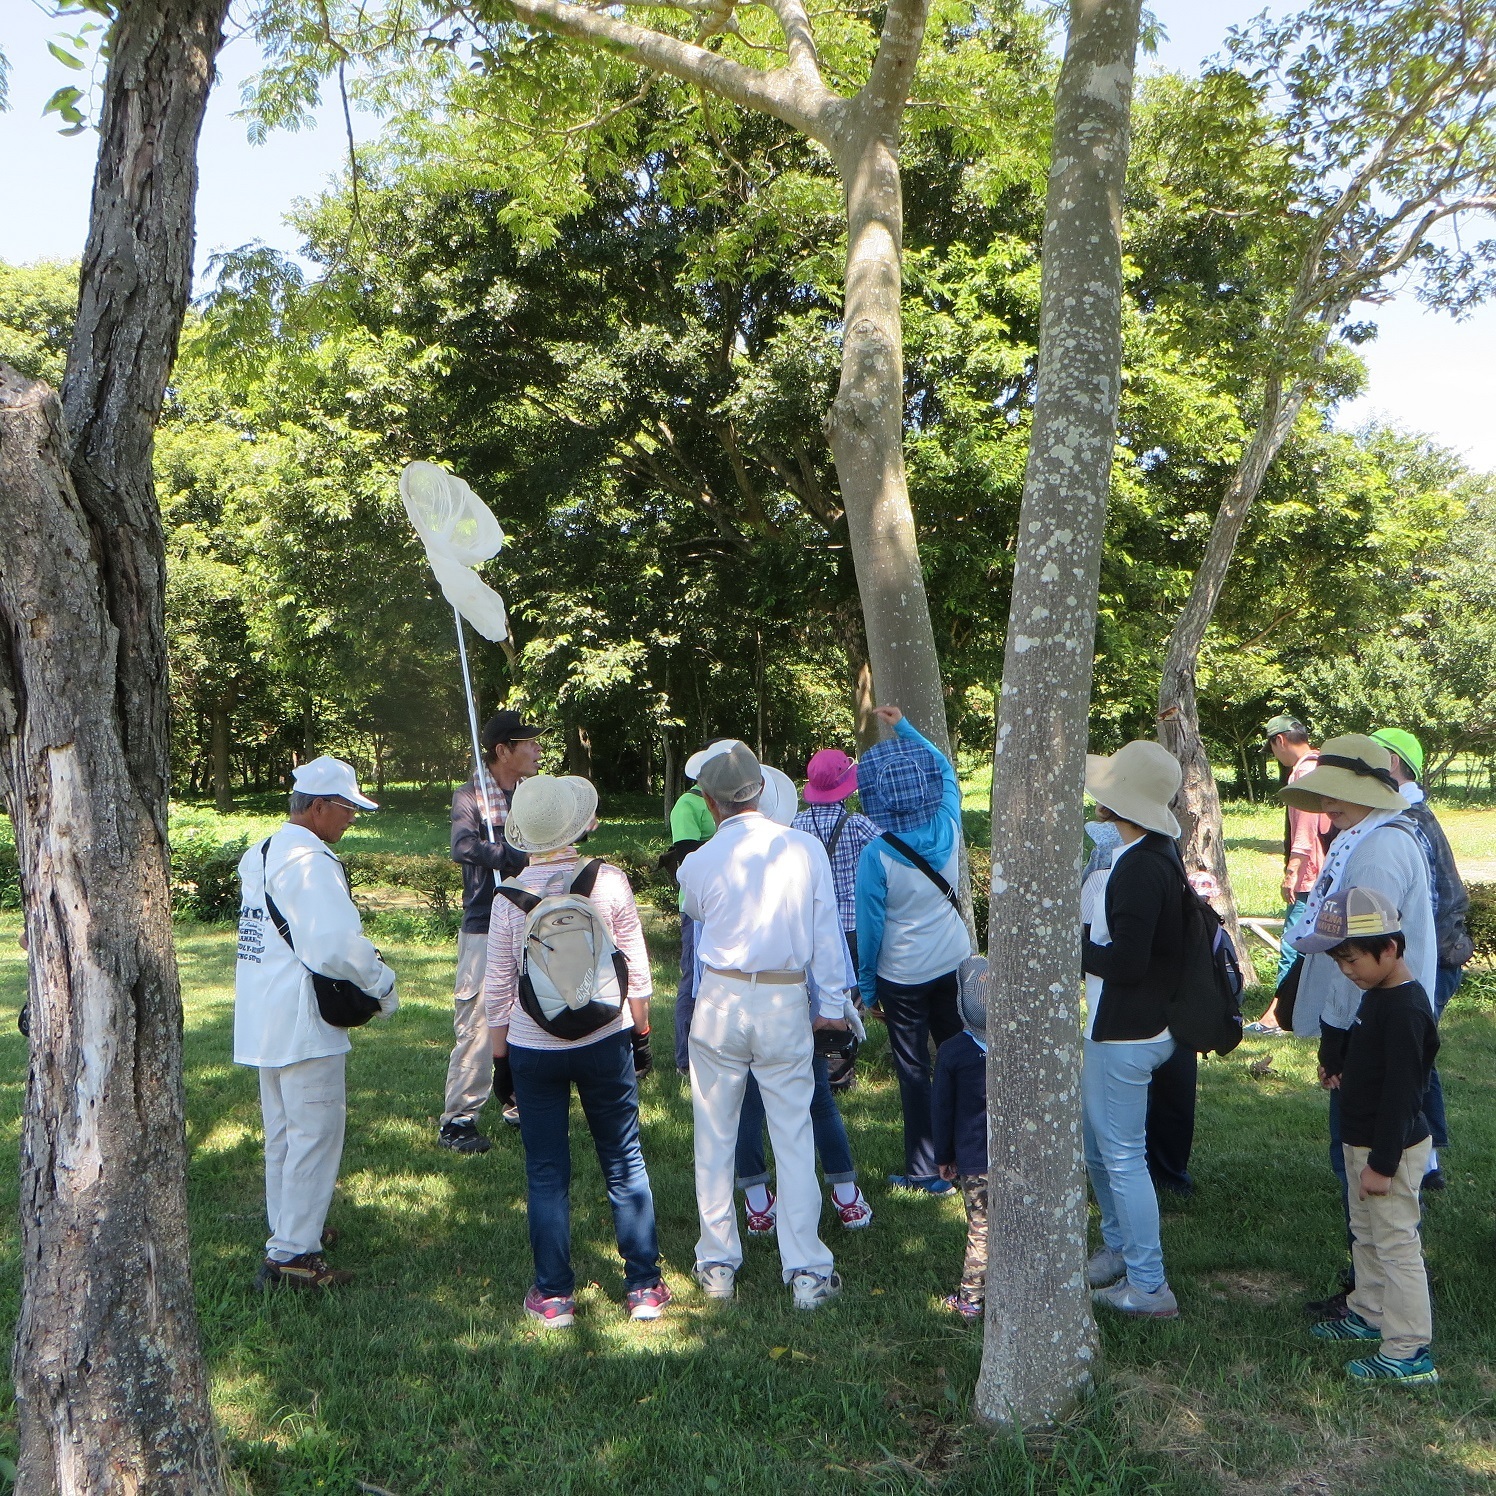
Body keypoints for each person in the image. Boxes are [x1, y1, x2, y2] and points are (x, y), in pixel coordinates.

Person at [484, 774, 668, 1326]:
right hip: (603, 1038)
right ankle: (643, 1286)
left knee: (545, 1171)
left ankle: (554, 1294)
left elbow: (497, 991)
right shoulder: (606, 881)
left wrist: (501, 1063)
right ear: (576, 824)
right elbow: (635, 968)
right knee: (623, 1159)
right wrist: (641, 1033)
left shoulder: (508, 898)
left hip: (533, 1047)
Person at [678, 741, 853, 1310]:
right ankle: (805, 1268)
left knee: (716, 1132)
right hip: (782, 999)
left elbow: (701, 914)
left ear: (709, 801)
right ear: (760, 790)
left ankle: (717, 1262)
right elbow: (825, 934)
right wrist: (832, 1004)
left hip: (721, 998)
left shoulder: (698, 862)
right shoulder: (803, 850)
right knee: (793, 1133)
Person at [1278, 733, 1435, 1321]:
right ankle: (1367, 1300)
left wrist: (1338, 1038)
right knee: (1357, 1183)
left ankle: (1386, 1315)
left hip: (1367, 1029)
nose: (1328, 808)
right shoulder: (1369, 838)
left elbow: (1361, 953)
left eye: (1338, 796)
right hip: (1363, 1024)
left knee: (1367, 1174)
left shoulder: (1376, 850)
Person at [234, 756, 399, 1290]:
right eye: (347, 808)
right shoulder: (311, 860)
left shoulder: (260, 853)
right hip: (304, 1020)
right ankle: (292, 1254)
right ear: (320, 806)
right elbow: (333, 946)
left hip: (263, 1015)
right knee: (315, 1132)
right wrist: (382, 983)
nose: (351, 818)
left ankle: (290, 1228)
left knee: (283, 1133)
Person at [1295, 887, 1440, 1385]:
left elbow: (1403, 1095)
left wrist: (1382, 1163)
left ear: (1391, 948)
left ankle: (1408, 1349)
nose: (1347, 971)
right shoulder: (1377, 996)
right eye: (1340, 962)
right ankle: (1369, 1311)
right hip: (1363, 1143)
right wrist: (1343, 1072)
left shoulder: (1405, 1009)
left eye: (1353, 959)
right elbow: (1374, 1065)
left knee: (1396, 1243)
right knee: (1367, 1235)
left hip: (1390, 1150)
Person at [734, 766, 872, 1235]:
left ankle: (758, 1202)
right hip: (794, 1004)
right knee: (816, 1101)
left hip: (735, 1010)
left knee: (748, 1103)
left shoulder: (717, 865)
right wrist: (832, 1003)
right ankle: (845, 1193)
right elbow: (826, 940)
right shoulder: (802, 860)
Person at [1081, 740, 1187, 1320]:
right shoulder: (1145, 852)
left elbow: (1127, 963)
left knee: (1120, 1156)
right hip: (1124, 1025)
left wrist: (1068, 946)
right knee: (1099, 1148)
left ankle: (1150, 1286)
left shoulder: (1142, 865)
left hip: (1129, 1032)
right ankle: (1121, 1250)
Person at [854, 706, 973, 1195]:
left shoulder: (876, 854)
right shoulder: (949, 822)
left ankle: (925, 1169)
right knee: (959, 1054)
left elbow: (870, 927)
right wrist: (904, 726)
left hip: (902, 975)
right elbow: (944, 768)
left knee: (913, 1069)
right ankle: (969, 1154)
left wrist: (866, 987)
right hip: (953, 958)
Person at [1371, 727, 1473, 1192]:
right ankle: (1427, 1164)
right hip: (1432, 961)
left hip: (1432, 963)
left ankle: (1419, 1164)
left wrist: (1397, 968)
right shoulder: (1409, 813)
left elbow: (1426, 913)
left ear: (1393, 763)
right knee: (1415, 1058)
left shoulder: (1407, 818)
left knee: (1408, 1061)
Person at [440, 709, 543, 1153]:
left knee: (531, 1012)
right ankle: (458, 1120)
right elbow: (463, 847)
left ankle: (519, 1100)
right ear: (503, 751)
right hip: (486, 923)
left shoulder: (536, 796)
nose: (538, 750)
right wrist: (512, 855)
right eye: (529, 744)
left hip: (530, 917)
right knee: (479, 1021)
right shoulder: (470, 797)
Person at [794, 747, 881, 1091]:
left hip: (809, 924)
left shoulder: (797, 824)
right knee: (850, 999)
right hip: (851, 923)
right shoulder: (858, 825)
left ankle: (814, 1067)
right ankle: (840, 1074)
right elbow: (888, 853)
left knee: (813, 993)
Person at [1249, 715, 1331, 1035]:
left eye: (1272, 747)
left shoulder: (1303, 773)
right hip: (1328, 874)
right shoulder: (1323, 765)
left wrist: (1292, 872)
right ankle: (1293, 1012)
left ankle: (1278, 1018)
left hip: (1310, 876)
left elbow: (1306, 830)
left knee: (1293, 943)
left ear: (1280, 741)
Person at [665, 741, 727, 1075]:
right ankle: (683, 1060)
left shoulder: (724, 803)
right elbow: (687, 854)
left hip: (727, 902)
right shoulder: (687, 805)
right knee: (693, 980)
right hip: (697, 908)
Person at [933, 979, 989, 1320]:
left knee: (981, 1227)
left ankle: (970, 1299)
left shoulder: (952, 1051)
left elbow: (941, 1109)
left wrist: (943, 1156)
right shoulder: (1019, 1042)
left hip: (975, 1158)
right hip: (1016, 1155)